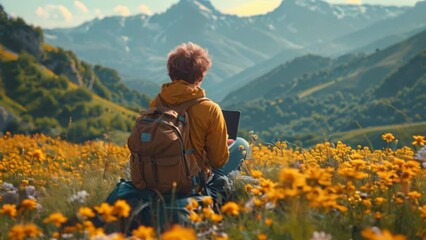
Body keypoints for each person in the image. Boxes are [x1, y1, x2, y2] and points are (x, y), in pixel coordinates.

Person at [150, 42, 248, 203]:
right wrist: (223, 144)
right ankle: (220, 192)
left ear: (171, 73)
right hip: (191, 180)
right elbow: (218, 160)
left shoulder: (156, 103)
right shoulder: (210, 109)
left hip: (155, 174)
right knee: (242, 144)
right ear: (200, 76)